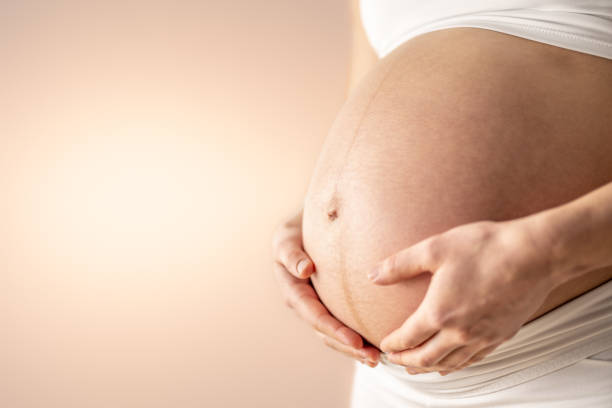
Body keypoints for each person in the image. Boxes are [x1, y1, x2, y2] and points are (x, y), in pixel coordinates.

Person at [272, 1, 612, 406]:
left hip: (571, 357)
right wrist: (316, 216)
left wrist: (549, 252)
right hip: (387, 381)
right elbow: (374, 83)